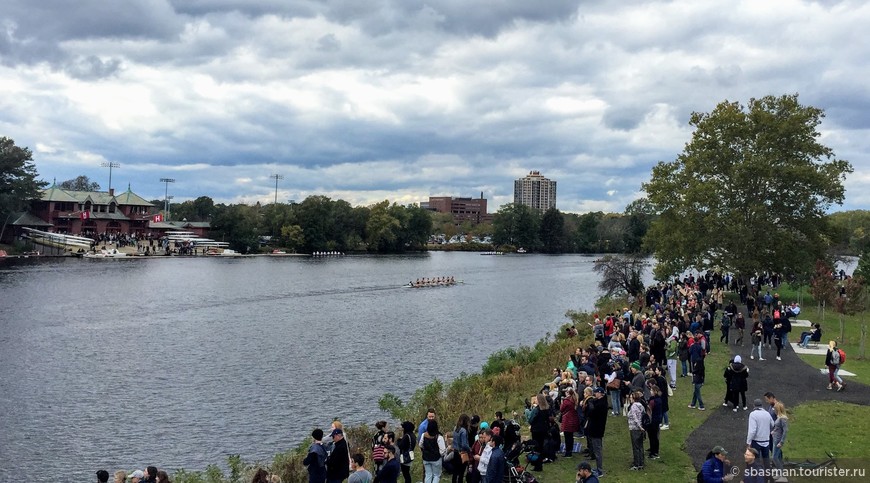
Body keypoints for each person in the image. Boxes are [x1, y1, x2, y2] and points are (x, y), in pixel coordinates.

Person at [585, 386, 608, 478]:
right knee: (596, 449)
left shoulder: (601, 405)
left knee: (597, 450)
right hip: (595, 428)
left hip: (597, 429)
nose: (595, 394)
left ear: (600, 393)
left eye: (596, 392)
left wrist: (590, 405)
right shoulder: (598, 402)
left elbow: (592, 413)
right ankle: (598, 468)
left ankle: (600, 470)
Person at [746, 399, 774, 473]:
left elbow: (752, 430)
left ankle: (757, 476)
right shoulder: (767, 413)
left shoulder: (753, 414)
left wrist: (749, 442)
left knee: (756, 460)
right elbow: (772, 424)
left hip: (756, 441)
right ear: (761, 405)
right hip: (766, 441)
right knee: (766, 459)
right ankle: (768, 476)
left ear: (754, 405)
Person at [421, 419, 446, 483]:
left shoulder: (424, 435)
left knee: (428, 474)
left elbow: (420, 444)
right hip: (436, 459)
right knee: (436, 476)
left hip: (426, 458)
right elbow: (442, 451)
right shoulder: (439, 437)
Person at [627, 390, 646, 470]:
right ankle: (641, 463)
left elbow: (635, 418)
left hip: (635, 428)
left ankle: (636, 464)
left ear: (634, 398)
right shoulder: (641, 405)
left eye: (631, 397)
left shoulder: (634, 406)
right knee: (640, 446)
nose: (630, 399)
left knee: (636, 447)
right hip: (641, 428)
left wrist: (639, 426)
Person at [561, 387, 580, 456]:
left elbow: (561, 409)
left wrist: (562, 402)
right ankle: (570, 450)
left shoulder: (566, 401)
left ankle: (568, 452)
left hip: (567, 419)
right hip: (573, 418)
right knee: (571, 436)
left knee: (567, 437)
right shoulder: (574, 399)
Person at [452, 414, 471, 483]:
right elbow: (464, 444)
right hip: (462, 453)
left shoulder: (455, 428)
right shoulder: (463, 431)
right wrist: (469, 449)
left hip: (455, 452)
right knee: (461, 472)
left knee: (455, 471)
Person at [771, 402, 789, 476]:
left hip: (778, 440)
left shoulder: (782, 419)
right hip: (775, 438)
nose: (773, 410)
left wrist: (781, 442)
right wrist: (774, 431)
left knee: (774, 457)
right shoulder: (779, 417)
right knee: (777, 456)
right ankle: (779, 469)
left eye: (774, 409)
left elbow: (785, 430)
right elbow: (778, 427)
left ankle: (780, 472)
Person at [646, 384, 662, 460]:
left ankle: (653, 453)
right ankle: (655, 451)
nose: (650, 391)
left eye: (651, 390)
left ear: (655, 391)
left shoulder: (653, 401)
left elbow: (649, 411)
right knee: (655, 437)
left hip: (653, 421)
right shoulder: (658, 399)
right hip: (657, 420)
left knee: (652, 437)